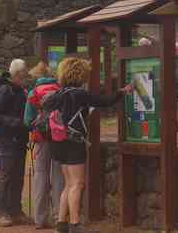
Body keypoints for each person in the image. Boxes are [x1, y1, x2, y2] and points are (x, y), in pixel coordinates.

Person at [43, 57, 132, 233]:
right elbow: (105, 101)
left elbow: (46, 106)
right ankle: (75, 224)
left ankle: (62, 223)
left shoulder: (59, 94)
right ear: (80, 74)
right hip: (74, 143)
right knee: (78, 184)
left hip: (58, 142)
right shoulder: (80, 94)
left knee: (69, 183)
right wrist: (122, 92)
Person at [24, 62, 64, 229]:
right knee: (58, 176)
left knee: (40, 175)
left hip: (41, 139)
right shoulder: (60, 90)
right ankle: (59, 217)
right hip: (58, 138)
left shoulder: (33, 93)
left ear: (37, 76)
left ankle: (40, 219)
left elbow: (27, 122)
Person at [0, 58, 30, 227]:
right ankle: (0, 211)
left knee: (18, 176)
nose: (25, 78)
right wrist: (18, 123)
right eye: (23, 75)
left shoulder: (21, 91)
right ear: (15, 74)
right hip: (7, 139)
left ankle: (16, 210)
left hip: (20, 139)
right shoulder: (5, 90)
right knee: (6, 176)